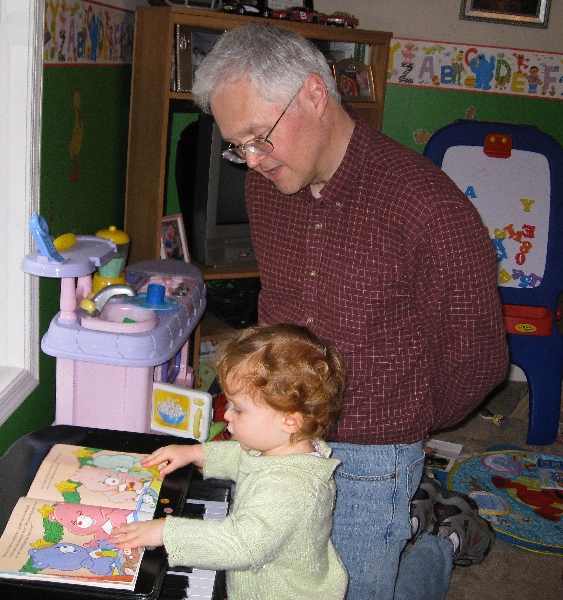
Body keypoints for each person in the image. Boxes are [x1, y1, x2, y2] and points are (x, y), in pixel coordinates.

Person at [191, 23, 509, 600]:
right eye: (238, 146)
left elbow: (477, 360)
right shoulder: (267, 188)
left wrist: (402, 422)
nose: (253, 161)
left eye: (259, 137)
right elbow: (276, 308)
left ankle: (438, 541)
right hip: (276, 436)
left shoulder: (430, 209)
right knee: (273, 579)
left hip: (372, 455)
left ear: (314, 95)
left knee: (357, 590)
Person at [111, 323, 348, 600]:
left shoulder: (290, 488)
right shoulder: (282, 447)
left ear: (290, 420)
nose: (226, 416)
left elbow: (241, 545)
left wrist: (167, 532)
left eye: (239, 409)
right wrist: (194, 453)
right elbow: (242, 457)